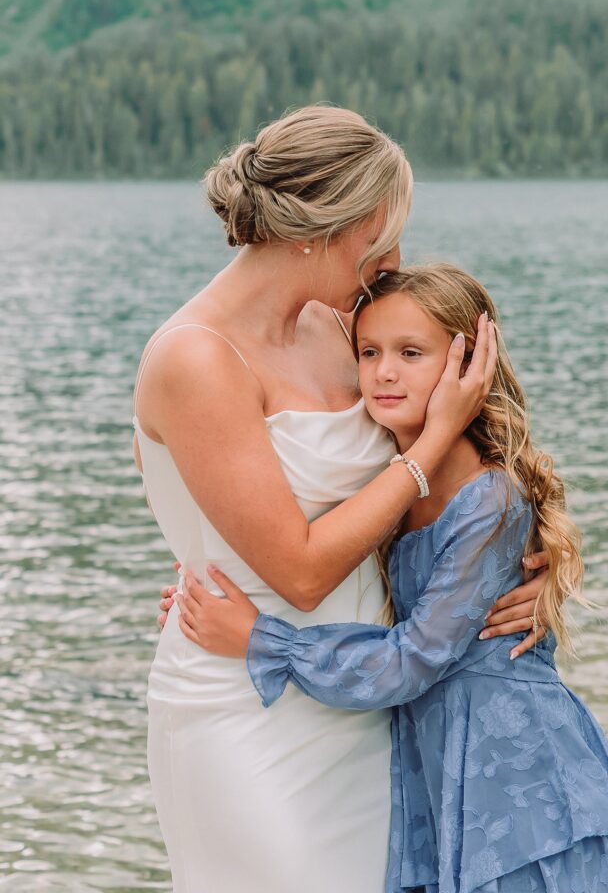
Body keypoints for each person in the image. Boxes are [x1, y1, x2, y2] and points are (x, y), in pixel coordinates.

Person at [135, 107, 551, 893]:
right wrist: (429, 446)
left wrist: (515, 573)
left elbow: (466, 470)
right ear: (319, 232)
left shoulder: (339, 327)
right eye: (381, 236)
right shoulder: (194, 358)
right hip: (246, 702)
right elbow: (296, 571)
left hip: (373, 695)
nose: (392, 260)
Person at [176, 263, 608, 893]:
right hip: (440, 764)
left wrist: (262, 639)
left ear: (468, 366)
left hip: (513, 769)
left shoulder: (489, 498)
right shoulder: (393, 482)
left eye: (410, 353)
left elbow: (413, 660)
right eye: (369, 352)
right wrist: (220, 583)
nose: (384, 372)